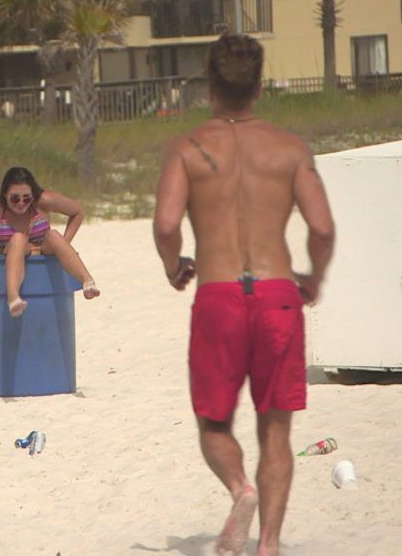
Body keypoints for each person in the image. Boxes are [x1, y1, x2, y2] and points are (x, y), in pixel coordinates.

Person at [152, 34, 336, 556]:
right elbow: (321, 229)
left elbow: (167, 225)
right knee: (276, 429)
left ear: (209, 84)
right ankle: (270, 545)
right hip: (277, 292)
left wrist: (174, 267)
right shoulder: (290, 149)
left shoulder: (187, 149)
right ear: (259, 86)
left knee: (213, 421)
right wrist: (313, 280)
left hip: (218, 293)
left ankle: (241, 489)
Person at [0, 167, 100, 317]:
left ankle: (87, 281)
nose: (21, 203)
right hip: (14, 253)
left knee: (54, 235)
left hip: (45, 251)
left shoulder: (43, 201)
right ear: (4, 194)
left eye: (27, 198)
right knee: (18, 238)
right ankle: (13, 297)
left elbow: (77, 211)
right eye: (15, 198)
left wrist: (65, 243)